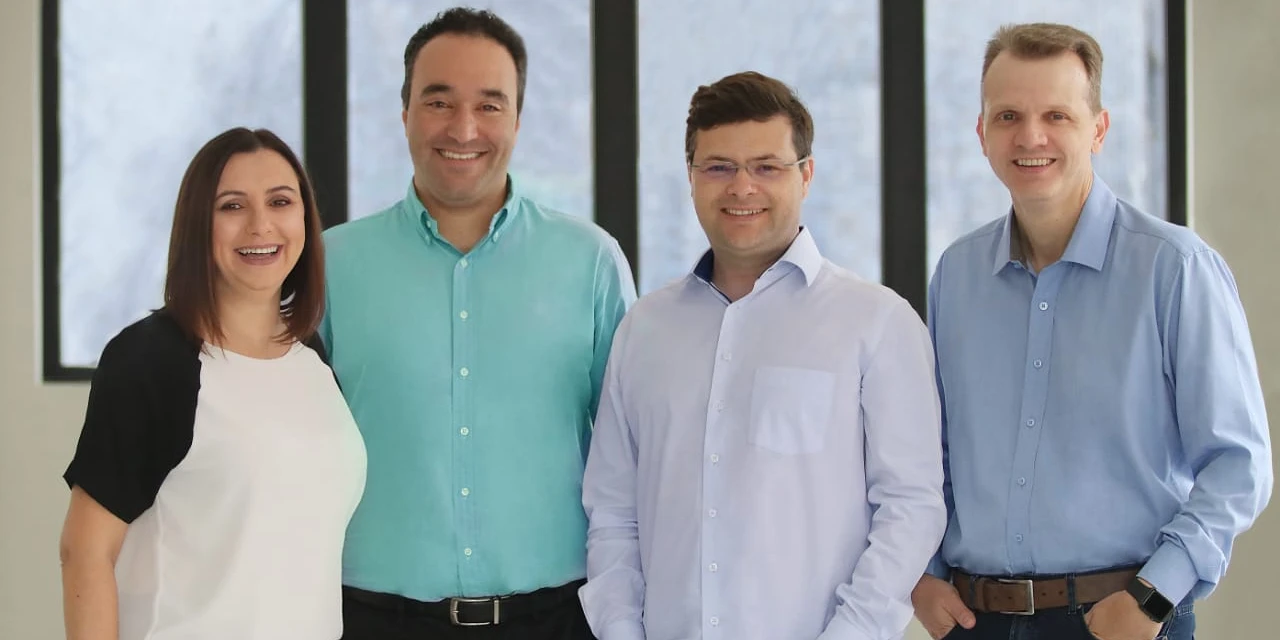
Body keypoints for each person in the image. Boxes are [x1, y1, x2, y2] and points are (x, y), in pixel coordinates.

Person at [913, 22, 1273, 640]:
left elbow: (1238, 464)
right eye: (1007, 116)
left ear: (1099, 129)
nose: (1030, 137)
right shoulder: (957, 275)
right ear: (981, 133)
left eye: (1056, 115)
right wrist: (923, 573)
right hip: (976, 619)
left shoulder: (1174, 268)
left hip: (1120, 619)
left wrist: (1153, 597)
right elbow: (932, 450)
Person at [579, 70, 947, 640]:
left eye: (767, 167)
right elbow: (612, 511)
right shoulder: (644, 330)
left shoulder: (877, 322)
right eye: (719, 167)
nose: (742, 187)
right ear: (691, 177)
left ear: (807, 175)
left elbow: (910, 507)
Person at [320, 7, 636, 640]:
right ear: (404, 112)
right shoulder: (330, 266)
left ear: (517, 119)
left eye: (490, 105)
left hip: (557, 619)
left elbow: (635, 453)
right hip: (373, 619)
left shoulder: (591, 262)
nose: (463, 128)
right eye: (438, 102)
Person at [58, 127, 368, 640]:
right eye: (232, 206)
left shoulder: (310, 357)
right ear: (198, 224)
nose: (260, 224)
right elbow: (85, 552)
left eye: (280, 201)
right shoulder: (152, 360)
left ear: (305, 219)